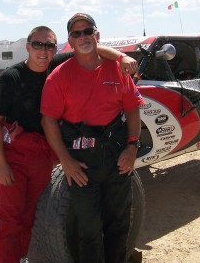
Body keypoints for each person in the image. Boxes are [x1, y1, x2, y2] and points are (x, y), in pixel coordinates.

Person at [0, 25, 137, 263]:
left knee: (30, 212)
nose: (43, 51)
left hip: (44, 153)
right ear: (28, 47)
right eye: (37, 45)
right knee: (11, 217)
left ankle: (22, 256)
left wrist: (122, 57)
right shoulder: (11, 78)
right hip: (15, 155)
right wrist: (0, 163)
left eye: (48, 46)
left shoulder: (55, 64)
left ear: (56, 48)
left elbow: (94, 50)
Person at [41, 13, 143, 263]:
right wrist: (65, 160)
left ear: (97, 35)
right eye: (77, 34)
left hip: (117, 158)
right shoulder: (59, 77)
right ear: (71, 41)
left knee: (118, 224)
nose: (83, 36)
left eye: (88, 31)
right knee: (88, 230)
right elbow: (48, 121)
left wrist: (132, 147)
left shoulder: (118, 71)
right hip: (82, 163)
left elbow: (132, 110)